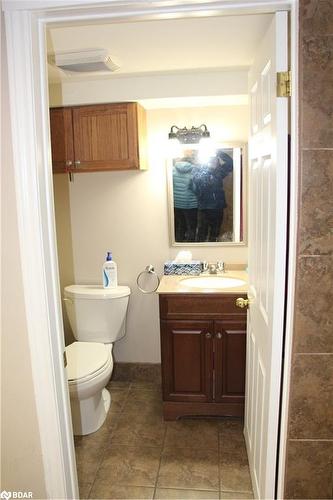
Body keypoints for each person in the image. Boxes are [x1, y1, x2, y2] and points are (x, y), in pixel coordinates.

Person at [192, 150, 233, 242]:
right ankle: (200, 253)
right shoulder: (198, 170)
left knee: (215, 232)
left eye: (214, 160)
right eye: (210, 160)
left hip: (217, 207)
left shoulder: (219, 171)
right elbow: (197, 180)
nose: (212, 162)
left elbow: (230, 163)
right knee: (202, 233)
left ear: (217, 161)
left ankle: (213, 252)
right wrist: (206, 168)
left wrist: (217, 151)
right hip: (204, 208)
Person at [172, 158, 198, 242]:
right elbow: (195, 188)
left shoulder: (172, 170)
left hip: (176, 204)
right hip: (190, 204)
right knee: (191, 226)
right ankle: (191, 245)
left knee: (180, 225)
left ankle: (179, 243)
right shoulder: (194, 171)